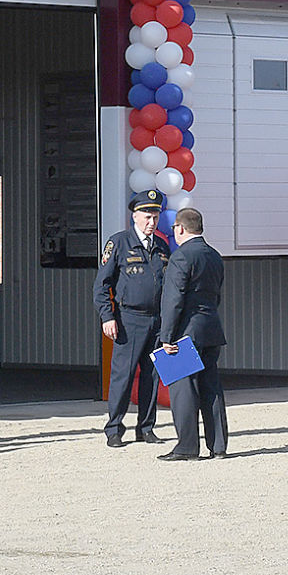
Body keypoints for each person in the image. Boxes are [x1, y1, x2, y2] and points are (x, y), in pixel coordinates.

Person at [95, 189, 171, 448]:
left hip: (157, 321)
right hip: (129, 319)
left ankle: (146, 427)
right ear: (135, 216)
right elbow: (102, 285)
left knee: (151, 375)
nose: (152, 222)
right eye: (147, 216)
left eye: (156, 217)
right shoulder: (119, 243)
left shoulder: (161, 246)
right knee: (123, 376)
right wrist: (107, 316)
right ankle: (114, 428)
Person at [157, 207, 227, 460]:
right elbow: (216, 294)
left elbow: (173, 300)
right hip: (210, 328)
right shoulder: (214, 255)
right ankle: (218, 445)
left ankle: (187, 446)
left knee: (183, 389)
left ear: (180, 228)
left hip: (186, 331)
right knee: (211, 388)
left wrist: (166, 336)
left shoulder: (181, 256)